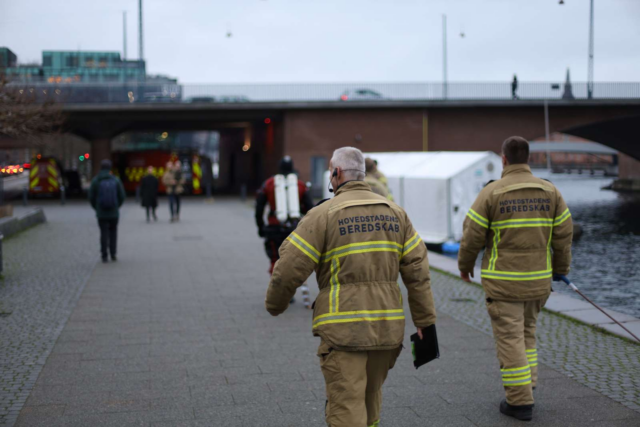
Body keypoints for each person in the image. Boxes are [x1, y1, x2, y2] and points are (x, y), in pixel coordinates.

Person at [265, 147, 436, 427]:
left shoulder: (323, 214)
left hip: (343, 330)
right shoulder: (397, 214)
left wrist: (275, 305)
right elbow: (418, 273)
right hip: (386, 328)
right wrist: (425, 322)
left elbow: (288, 271)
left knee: (346, 406)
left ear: (336, 173)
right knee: (370, 398)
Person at [458, 136, 573, 422]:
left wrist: (465, 265)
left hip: (504, 283)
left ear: (504, 159)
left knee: (510, 339)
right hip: (538, 283)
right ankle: (528, 384)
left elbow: (472, 235)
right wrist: (561, 270)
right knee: (527, 333)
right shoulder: (551, 192)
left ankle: (520, 402)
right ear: (528, 158)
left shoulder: (492, 193)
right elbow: (563, 236)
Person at [255, 156, 313, 275]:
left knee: (275, 260)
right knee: (292, 260)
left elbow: (259, 208)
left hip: (274, 228)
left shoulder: (269, 184)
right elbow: (310, 209)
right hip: (294, 229)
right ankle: (289, 289)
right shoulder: (300, 185)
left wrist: (260, 227)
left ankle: (275, 289)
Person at [89, 159, 126, 263]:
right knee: (113, 232)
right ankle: (113, 253)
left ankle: (104, 255)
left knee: (103, 233)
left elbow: (91, 196)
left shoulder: (96, 180)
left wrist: (96, 207)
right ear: (110, 168)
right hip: (114, 212)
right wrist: (116, 206)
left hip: (101, 213)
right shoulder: (116, 180)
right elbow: (122, 196)